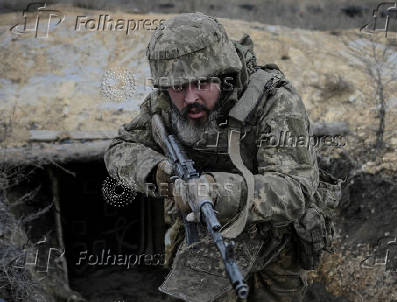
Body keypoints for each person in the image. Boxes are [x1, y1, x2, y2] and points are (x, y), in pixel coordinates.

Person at [104, 12, 341, 302]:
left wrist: (216, 189)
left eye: (201, 83)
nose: (190, 97)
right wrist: (159, 172)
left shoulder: (274, 102)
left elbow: (294, 188)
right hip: (205, 232)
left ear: (224, 74)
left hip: (278, 237)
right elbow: (120, 148)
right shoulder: (163, 106)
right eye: (178, 87)